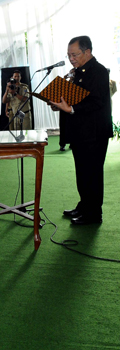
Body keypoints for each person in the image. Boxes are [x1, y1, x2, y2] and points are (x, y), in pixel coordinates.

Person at [50, 35, 113, 225]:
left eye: (74, 54)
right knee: (82, 173)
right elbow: (75, 97)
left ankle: (94, 215)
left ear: (88, 52)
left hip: (94, 133)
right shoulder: (78, 71)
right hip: (80, 132)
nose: (71, 59)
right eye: (69, 55)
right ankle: (84, 206)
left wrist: (71, 108)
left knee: (92, 174)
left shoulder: (99, 71)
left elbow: (96, 102)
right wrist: (60, 104)